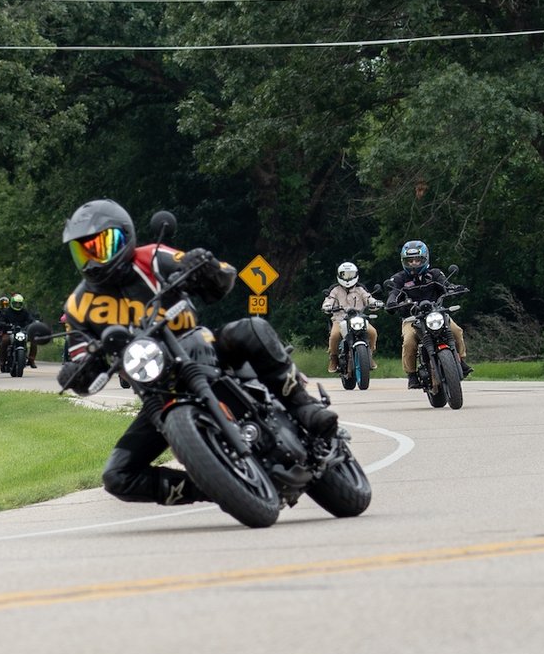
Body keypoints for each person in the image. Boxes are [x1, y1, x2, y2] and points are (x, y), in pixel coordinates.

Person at [58, 198, 337, 506]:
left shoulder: (152, 258)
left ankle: (303, 406)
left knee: (250, 328)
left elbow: (222, 279)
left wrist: (202, 265)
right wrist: (75, 372)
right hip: (154, 387)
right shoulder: (77, 306)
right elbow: (78, 357)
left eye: (101, 246)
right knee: (117, 476)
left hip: (199, 347)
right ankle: (212, 486)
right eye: (82, 251)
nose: (93, 260)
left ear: (125, 236)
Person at [381, 239, 468, 385]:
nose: (414, 263)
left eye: (417, 259)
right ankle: (411, 374)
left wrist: (455, 288)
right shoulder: (399, 278)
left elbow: (446, 285)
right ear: (404, 261)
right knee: (409, 341)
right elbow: (393, 293)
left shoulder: (434, 274)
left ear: (425, 258)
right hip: (412, 318)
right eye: (410, 260)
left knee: (456, 331)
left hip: (437, 314)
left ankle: (461, 361)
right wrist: (391, 302)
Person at [322, 261, 378, 376]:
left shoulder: (360, 289)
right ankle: (333, 358)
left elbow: (368, 298)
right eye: (344, 275)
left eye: (350, 274)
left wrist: (375, 303)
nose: (347, 278)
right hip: (340, 320)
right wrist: (327, 305)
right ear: (339, 275)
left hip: (359, 318)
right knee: (334, 335)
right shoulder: (335, 290)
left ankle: (369, 355)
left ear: (356, 275)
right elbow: (329, 299)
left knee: (372, 332)